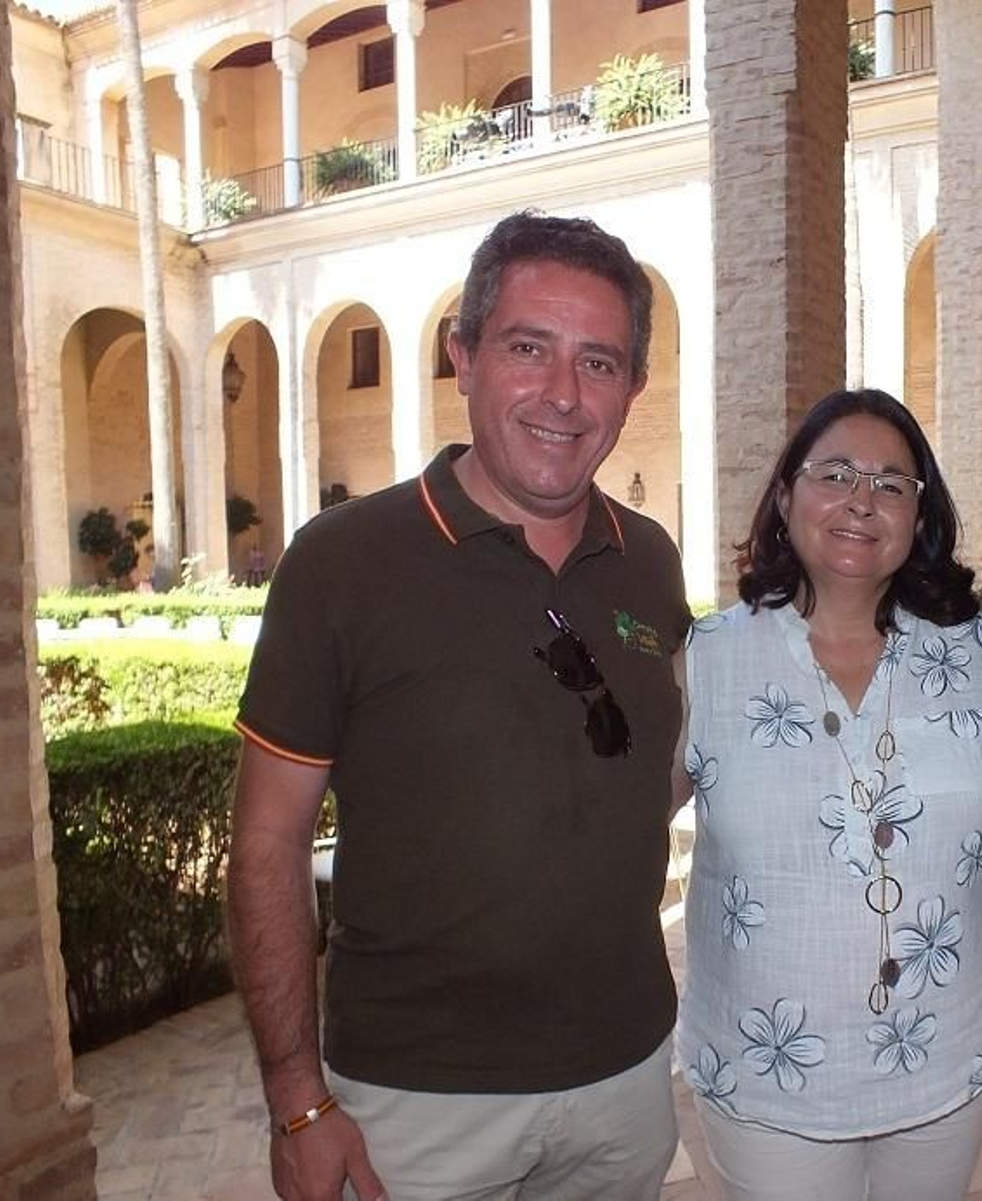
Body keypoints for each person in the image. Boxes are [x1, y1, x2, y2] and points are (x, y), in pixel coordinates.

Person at [228, 211, 690, 1201]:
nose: (563, 395)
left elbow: (645, 772)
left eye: (599, 362)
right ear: (464, 357)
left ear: (633, 390)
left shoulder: (648, 560)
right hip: (414, 1102)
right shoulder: (344, 561)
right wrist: (296, 1098)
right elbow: (267, 841)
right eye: (529, 349)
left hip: (622, 1076)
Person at [673, 389, 982, 1200]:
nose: (861, 500)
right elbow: (613, 826)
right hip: (771, 1076)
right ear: (785, 494)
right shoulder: (708, 660)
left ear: (920, 514)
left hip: (943, 1057)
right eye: (834, 472)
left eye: (892, 483)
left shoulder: (975, 651)